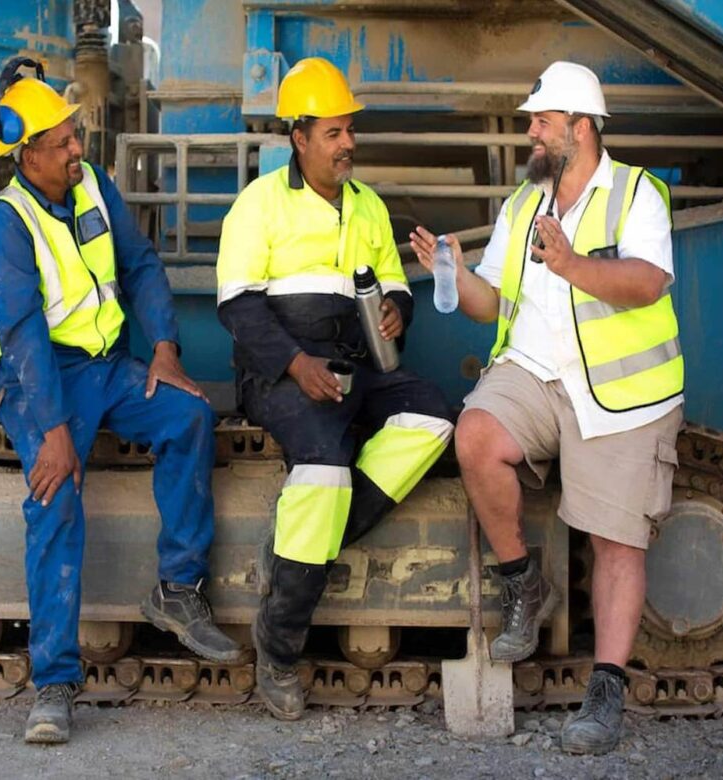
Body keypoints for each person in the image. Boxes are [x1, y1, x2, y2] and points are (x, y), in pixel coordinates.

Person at [410, 61, 682, 755]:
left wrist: (570, 265)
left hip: (622, 396)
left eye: (541, 122)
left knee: (615, 542)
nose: (530, 133)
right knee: (475, 436)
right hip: (535, 373)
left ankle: (606, 693)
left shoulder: (636, 195)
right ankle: (523, 584)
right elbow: (491, 304)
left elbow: (647, 283)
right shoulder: (524, 205)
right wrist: (453, 271)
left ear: (580, 128)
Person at [0, 58, 243, 744]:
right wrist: (55, 428)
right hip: (42, 382)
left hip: (109, 365)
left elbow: (141, 261)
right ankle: (54, 684)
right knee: (55, 495)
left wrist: (164, 346)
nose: (77, 149)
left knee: (188, 415)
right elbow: (26, 334)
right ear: (27, 153)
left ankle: (178, 590)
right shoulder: (6, 224)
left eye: (75, 136)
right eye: (62, 142)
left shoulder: (91, 185)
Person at [216, 57, 455, 721]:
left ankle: (304, 546)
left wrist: (398, 310)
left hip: (361, 368)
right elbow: (238, 308)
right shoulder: (259, 205)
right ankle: (279, 647)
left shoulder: (368, 206)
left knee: (433, 419)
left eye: (350, 130)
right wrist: (297, 366)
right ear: (299, 138)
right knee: (323, 472)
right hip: (283, 372)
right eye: (334, 132)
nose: (348, 143)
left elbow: (396, 282)